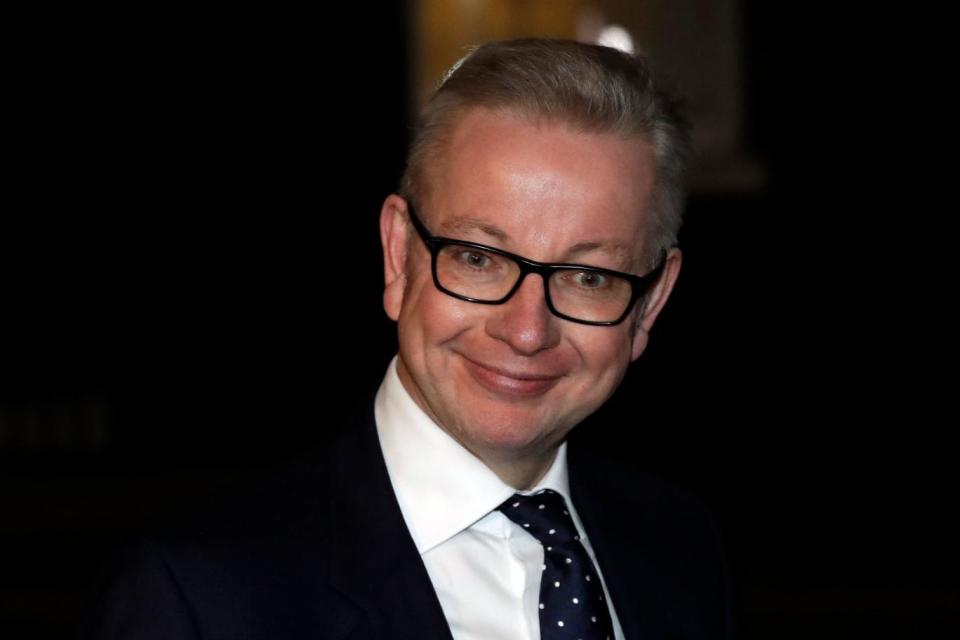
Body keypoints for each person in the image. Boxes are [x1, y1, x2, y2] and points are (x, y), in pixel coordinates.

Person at [83, 38, 731, 640]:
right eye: (478, 257)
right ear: (398, 255)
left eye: (589, 276)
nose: (528, 330)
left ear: (649, 304)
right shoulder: (196, 595)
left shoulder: (679, 544)